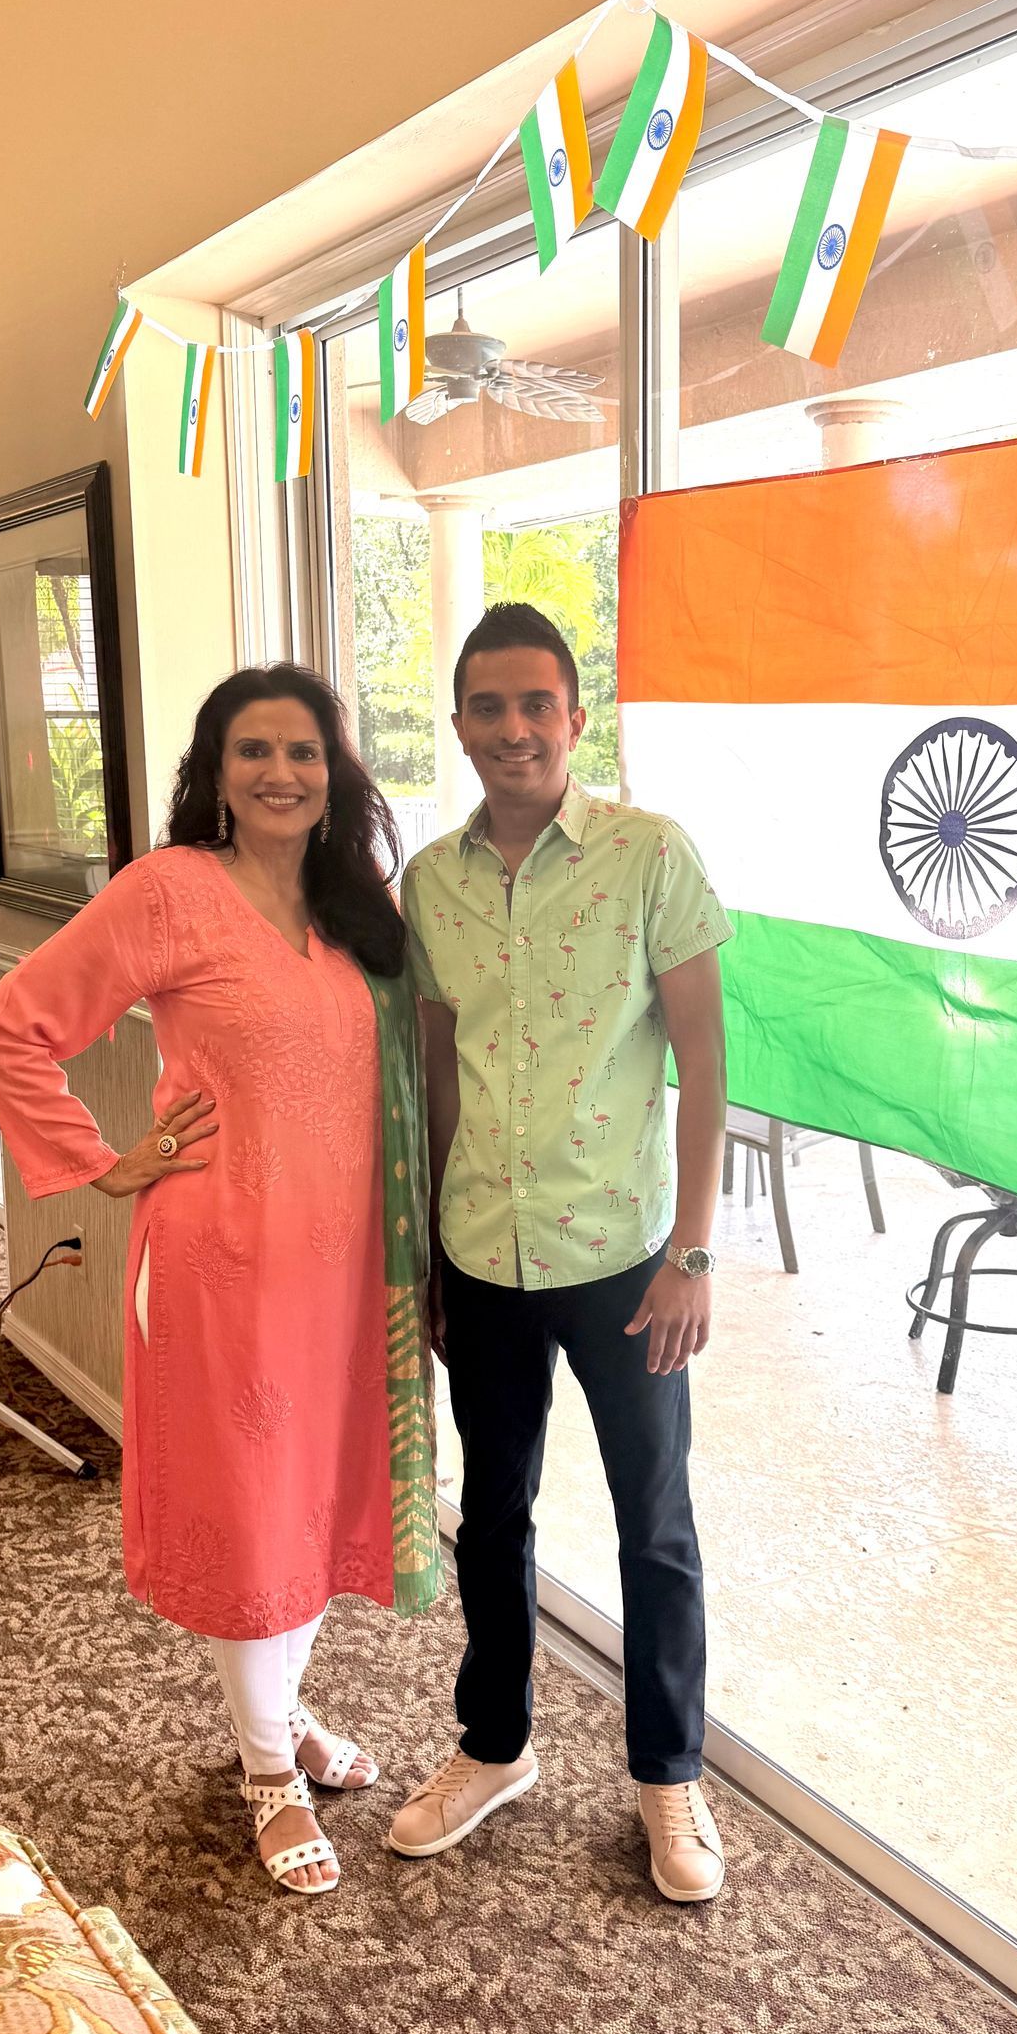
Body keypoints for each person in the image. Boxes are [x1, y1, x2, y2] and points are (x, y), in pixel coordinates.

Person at [0, 662, 440, 1897]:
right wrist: (100, 1162)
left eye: (304, 751)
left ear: (335, 771)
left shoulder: (358, 899)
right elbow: (9, 1026)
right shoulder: (169, 890)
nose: (282, 772)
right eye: (254, 750)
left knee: (319, 1492)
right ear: (216, 772)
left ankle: (280, 1708)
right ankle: (267, 1767)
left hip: (352, 1268)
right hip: (223, 1264)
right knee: (248, 1508)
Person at [392, 602, 732, 1902]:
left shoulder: (650, 856)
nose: (515, 728)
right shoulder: (433, 884)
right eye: (489, 706)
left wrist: (692, 1253)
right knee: (492, 1513)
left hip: (624, 1260)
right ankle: (495, 1744)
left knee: (655, 1523)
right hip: (484, 1253)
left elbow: (704, 1068)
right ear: (461, 726)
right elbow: (438, 1073)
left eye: (538, 704)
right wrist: (431, 1248)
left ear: (575, 719)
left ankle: (668, 1773)